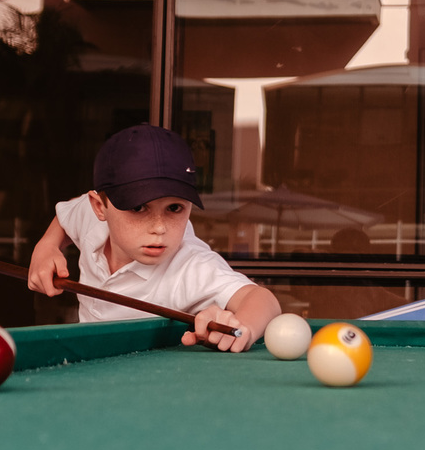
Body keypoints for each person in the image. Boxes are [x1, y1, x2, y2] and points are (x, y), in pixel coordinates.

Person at [28, 124, 281, 351]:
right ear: (99, 207)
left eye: (174, 208)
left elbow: (262, 299)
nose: (159, 228)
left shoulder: (191, 266)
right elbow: (70, 212)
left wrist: (242, 326)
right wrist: (47, 245)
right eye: (139, 208)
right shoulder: (91, 214)